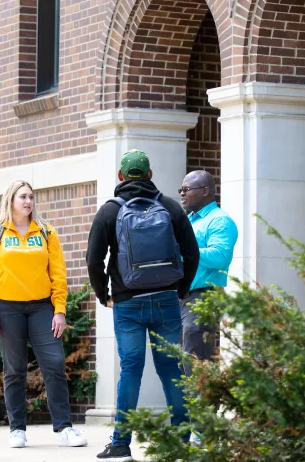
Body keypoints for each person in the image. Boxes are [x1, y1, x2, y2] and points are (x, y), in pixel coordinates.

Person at [86, 150, 200, 461]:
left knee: (131, 370)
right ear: (149, 174)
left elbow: (94, 261)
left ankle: (121, 443)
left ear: (121, 177)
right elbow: (192, 254)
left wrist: (103, 295)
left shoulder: (109, 211)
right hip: (166, 301)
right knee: (171, 369)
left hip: (127, 302)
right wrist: (181, 290)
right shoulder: (170, 206)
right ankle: (181, 441)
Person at [0, 180, 87, 449]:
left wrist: (59, 310)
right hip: (6, 308)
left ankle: (64, 428)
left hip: (42, 308)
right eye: (22, 197)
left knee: (55, 364)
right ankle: (17, 430)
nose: (28, 202)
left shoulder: (47, 232)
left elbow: (58, 274)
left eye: (31, 197)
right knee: (14, 369)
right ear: (10, 200)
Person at [178, 170, 238, 375]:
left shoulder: (219, 221)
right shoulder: (191, 220)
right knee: (181, 362)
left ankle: (201, 407)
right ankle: (187, 407)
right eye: (181, 189)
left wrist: (184, 250)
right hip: (181, 298)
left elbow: (220, 256)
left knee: (196, 361)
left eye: (186, 189)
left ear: (205, 191)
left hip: (202, 297)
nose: (182, 194)